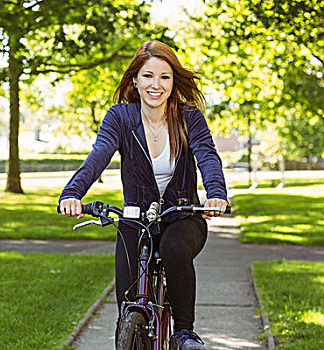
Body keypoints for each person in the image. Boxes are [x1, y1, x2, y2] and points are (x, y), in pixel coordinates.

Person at [58, 40, 228, 350]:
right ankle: (130, 333)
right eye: (148, 76)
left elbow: (207, 157)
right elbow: (98, 156)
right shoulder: (120, 118)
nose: (156, 85)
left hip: (183, 216)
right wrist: (73, 193)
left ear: (173, 82)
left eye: (165, 77)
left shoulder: (189, 118)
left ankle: (184, 332)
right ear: (135, 80)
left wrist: (215, 193)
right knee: (127, 306)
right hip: (135, 217)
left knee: (175, 248)